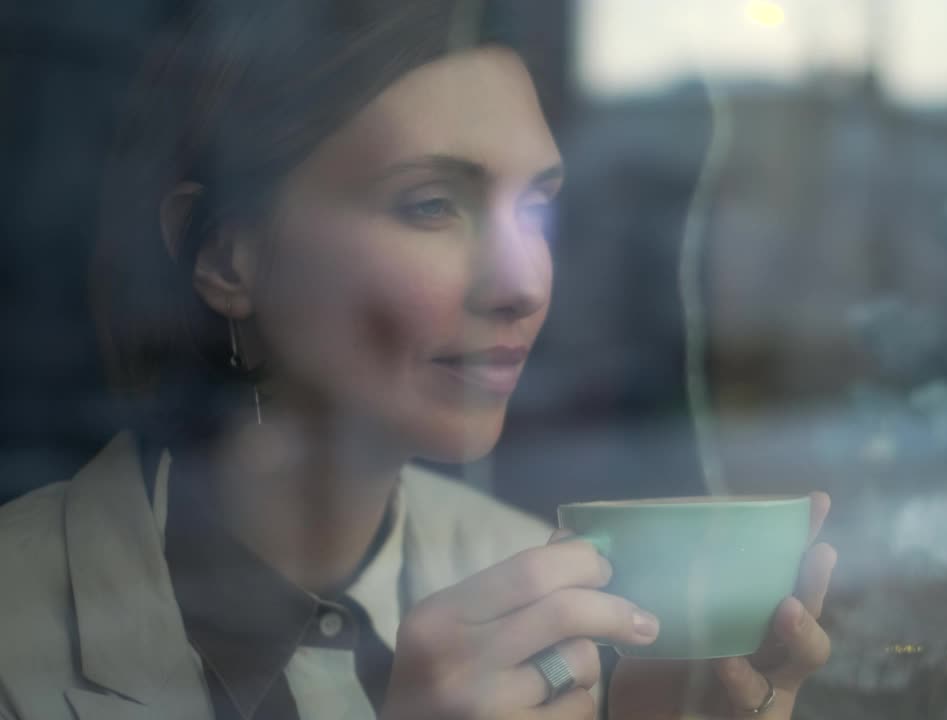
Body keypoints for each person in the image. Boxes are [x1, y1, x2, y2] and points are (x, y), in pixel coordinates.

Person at [0, 1, 838, 718]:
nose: (524, 284)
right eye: (433, 204)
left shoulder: (546, 589)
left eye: (537, 208)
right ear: (224, 256)